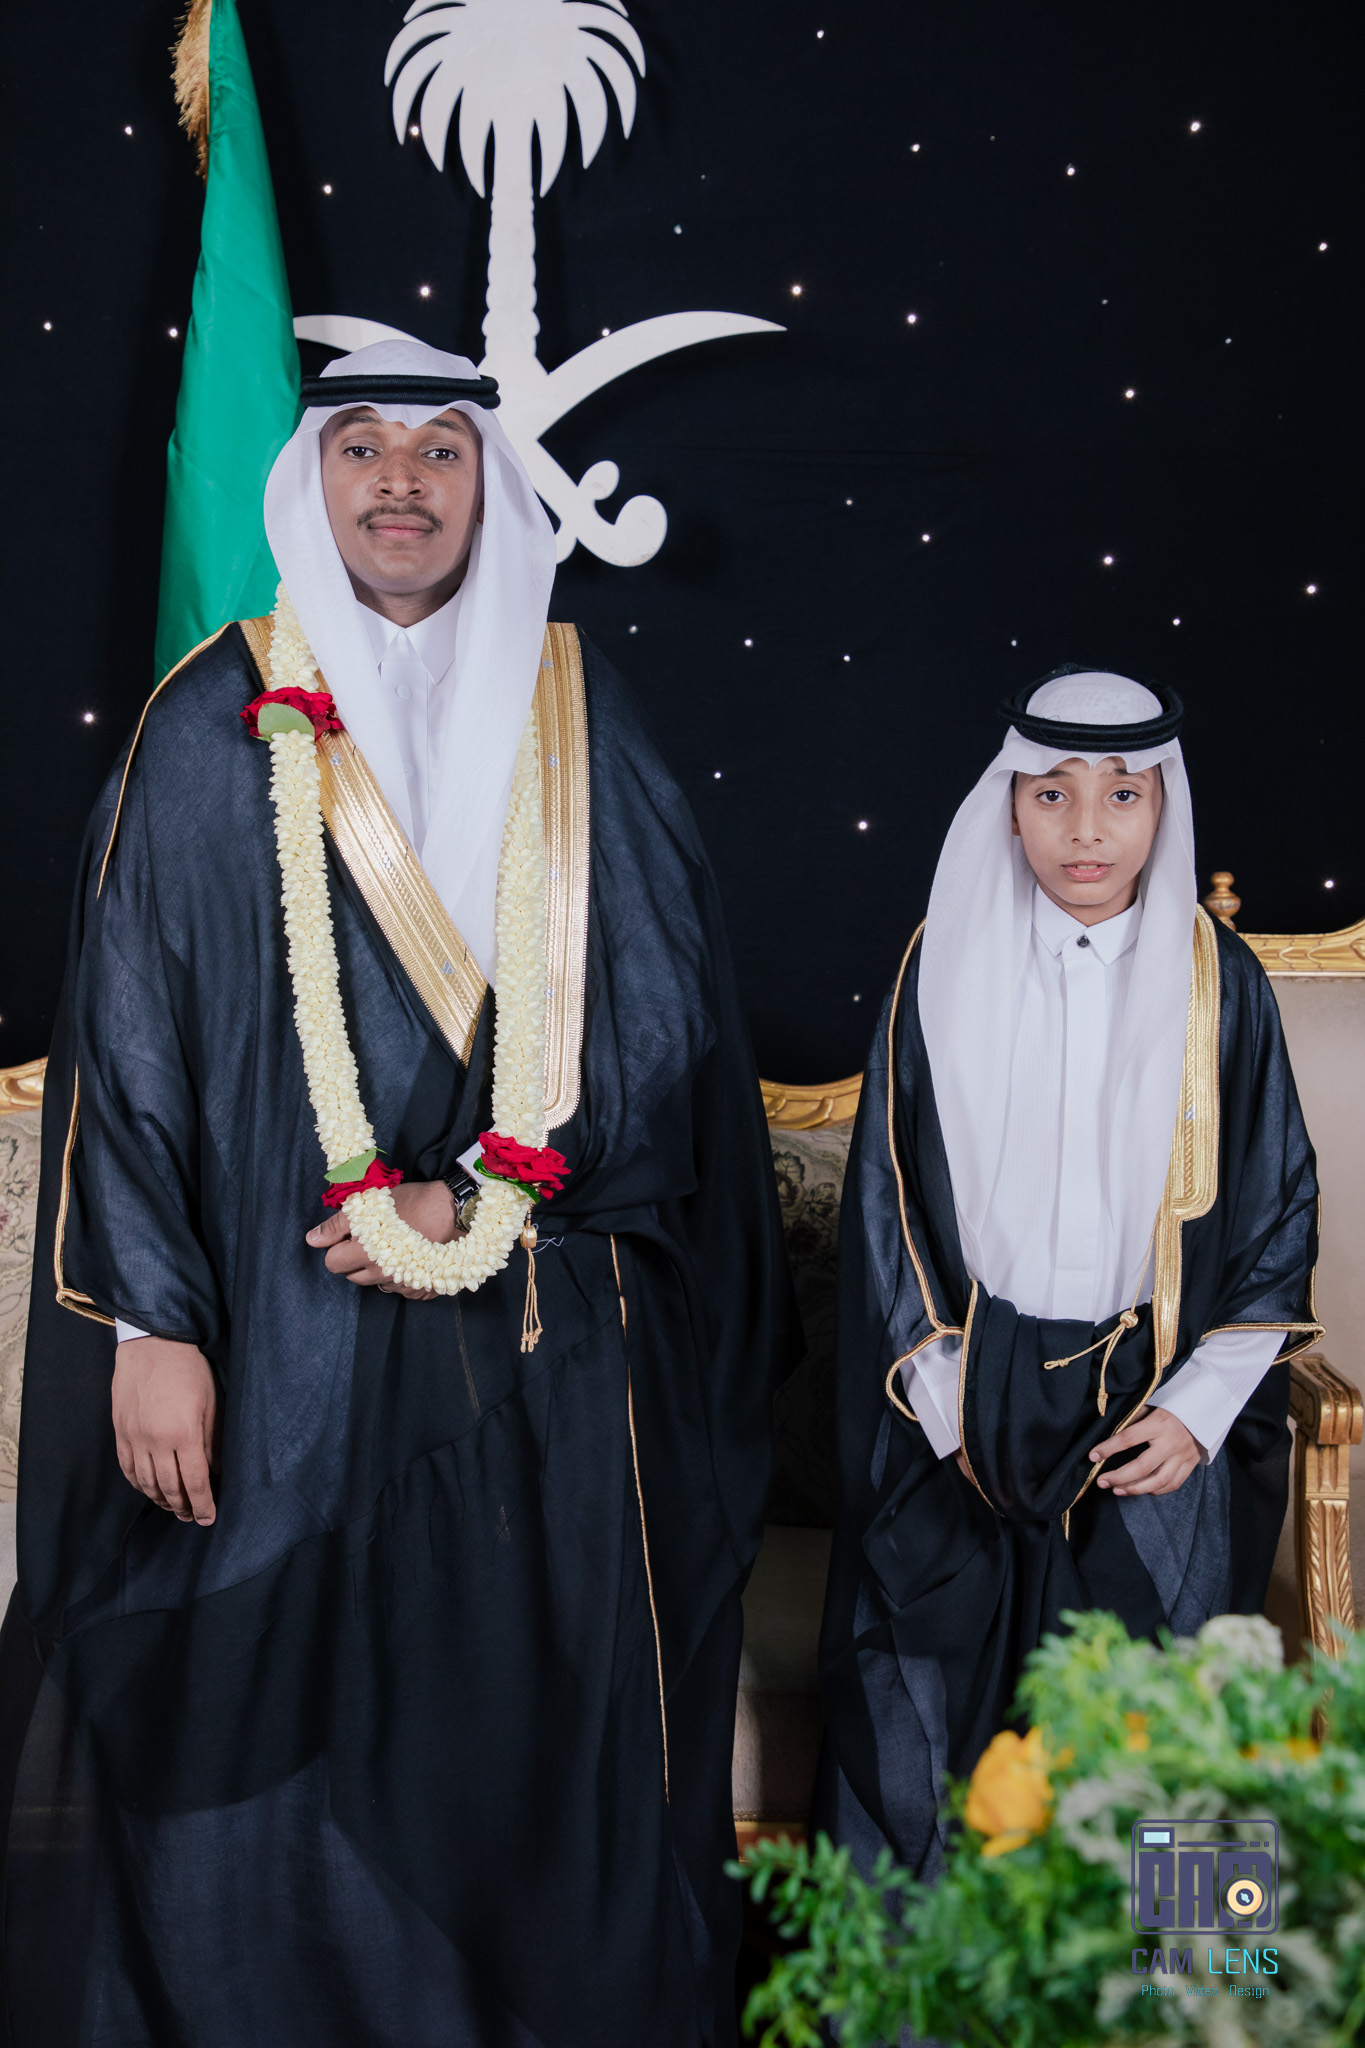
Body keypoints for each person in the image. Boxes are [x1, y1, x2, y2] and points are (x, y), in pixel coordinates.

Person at [1, 340, 797, 2047]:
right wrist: (152, 1328)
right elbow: (130, 1041)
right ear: (314, 483)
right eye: (362, 446)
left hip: (538, 1333)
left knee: (522, 1728)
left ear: (489, 483)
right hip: (271, 1334)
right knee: (258, 1743)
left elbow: (662, 1025)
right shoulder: (212, 716)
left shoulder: (577, 706)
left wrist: (485, 1191)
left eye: (440, 449)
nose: (401, 482)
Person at [816, 669, 1320, 1882]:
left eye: (1121, 794)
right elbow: (887, 1200)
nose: (1086, 828)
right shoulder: (941, 963)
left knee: (1177, 1736)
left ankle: (1193, 1984)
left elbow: (1275, 1212)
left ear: (1163, 806)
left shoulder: (1221, 980)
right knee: (931, 1723)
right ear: (1009, 802)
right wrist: (950, 1404)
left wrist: (1196, 1415)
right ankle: (929, 1982)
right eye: (1051, 792)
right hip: (961, 1410)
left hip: (1154, 1414)